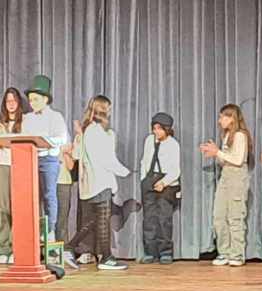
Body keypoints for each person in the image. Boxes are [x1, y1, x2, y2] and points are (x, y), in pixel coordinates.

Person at [63, 95, 130, 271]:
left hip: (91, 185)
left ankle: (70, 248)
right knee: (102, 221)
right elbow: (106, 159)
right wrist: (126, 172)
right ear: (104, 110)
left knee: (95, 220)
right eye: (109, 109)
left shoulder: (87, 131)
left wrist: (79, 136)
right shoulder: (98, 132)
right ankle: (105, 258)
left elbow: (77, 155)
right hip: (101, 182)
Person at [200, 104, 251, 266]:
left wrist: (218, 152)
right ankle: (224, 252)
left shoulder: (240, 135)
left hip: (237, 178)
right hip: (225, 177)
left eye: (222, 117)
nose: (219, 120)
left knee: (235, 217)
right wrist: (215, 153)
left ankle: (237, 254)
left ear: (232, 118)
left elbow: (238, 160)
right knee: (219, 216)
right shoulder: (227, 135)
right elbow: (225, 160)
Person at [21, 75, 68, 241]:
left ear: (45, 99)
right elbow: (24, 138)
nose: (32, 103)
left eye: (36, 99)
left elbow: (62, 139)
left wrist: (44, 141)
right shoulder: (27, 118)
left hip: (49, 160)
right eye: (30, 100)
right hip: (30, 160)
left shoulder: (55, 117)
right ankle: (31, 232)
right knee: (31, 197)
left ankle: (50, 230)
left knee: (49, 195)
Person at [140, 112, 181, 264]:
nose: (156, 131)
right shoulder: (149, 140)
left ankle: (165, 252)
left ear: (167, 129)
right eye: (154, 128)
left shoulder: (173, 144)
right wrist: (144, 179)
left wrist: (164, 182)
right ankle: (150, 252)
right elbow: (144, 161)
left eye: (160, 128)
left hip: (166, 183)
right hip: (150, 179)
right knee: (149, 219)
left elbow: (175, 170)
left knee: (164, 219)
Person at [0, 88, 25, 263]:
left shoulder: (25, 120)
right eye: (8, 101)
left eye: (14, 101)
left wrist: (6, 140)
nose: (11, 104)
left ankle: (16, 249)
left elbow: (22, 145)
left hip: (20, 165)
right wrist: (7, 140)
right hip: (1, 165)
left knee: (18, 208)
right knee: (2, 207)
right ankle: (3, 249)